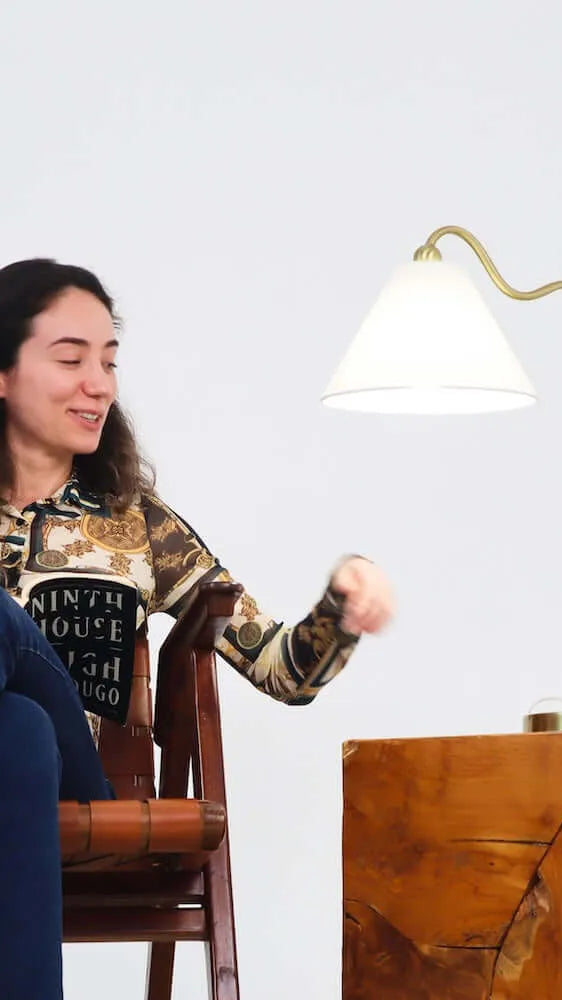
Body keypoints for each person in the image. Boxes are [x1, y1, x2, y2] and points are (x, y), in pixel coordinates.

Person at [0, 258, 394, 1000]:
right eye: (71, 359)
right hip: (12, 770)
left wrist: (341, 606)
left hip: (77, 785)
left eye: (109, 362)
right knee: (14, 728)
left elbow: (283, 669)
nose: (100, 384)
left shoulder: (136, 527)